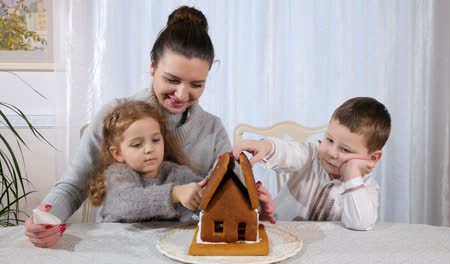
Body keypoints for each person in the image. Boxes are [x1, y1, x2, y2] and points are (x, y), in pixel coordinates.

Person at [25, 6, 276, 248]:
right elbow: (73, 186)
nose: (181, 93)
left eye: (196, 84)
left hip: (183, 248)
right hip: (118, 247)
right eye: (172, 79)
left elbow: (222, 197)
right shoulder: (114, 116)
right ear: (152, 65)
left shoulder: (213, 129)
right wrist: (46, 218)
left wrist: (252, 209)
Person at [232, 97, 391, 231]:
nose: (332, 152)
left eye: (345, 149)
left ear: (373, 158)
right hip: (282, 233)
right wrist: (267, 147)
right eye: (329, 140)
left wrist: (352, 176)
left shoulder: (367, 187)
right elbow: (288, 152)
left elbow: (360, 223)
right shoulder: (311, 154)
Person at [88, 100, 206, 223]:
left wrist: (212, 185)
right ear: (118, 153)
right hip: (118, 240)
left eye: (155, 140)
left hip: (159, 240)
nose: (150, 149)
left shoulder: (175, 172)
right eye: (137, 144)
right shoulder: (118, 174)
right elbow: (127, 203)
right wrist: (174, 194)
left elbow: (203, 191)